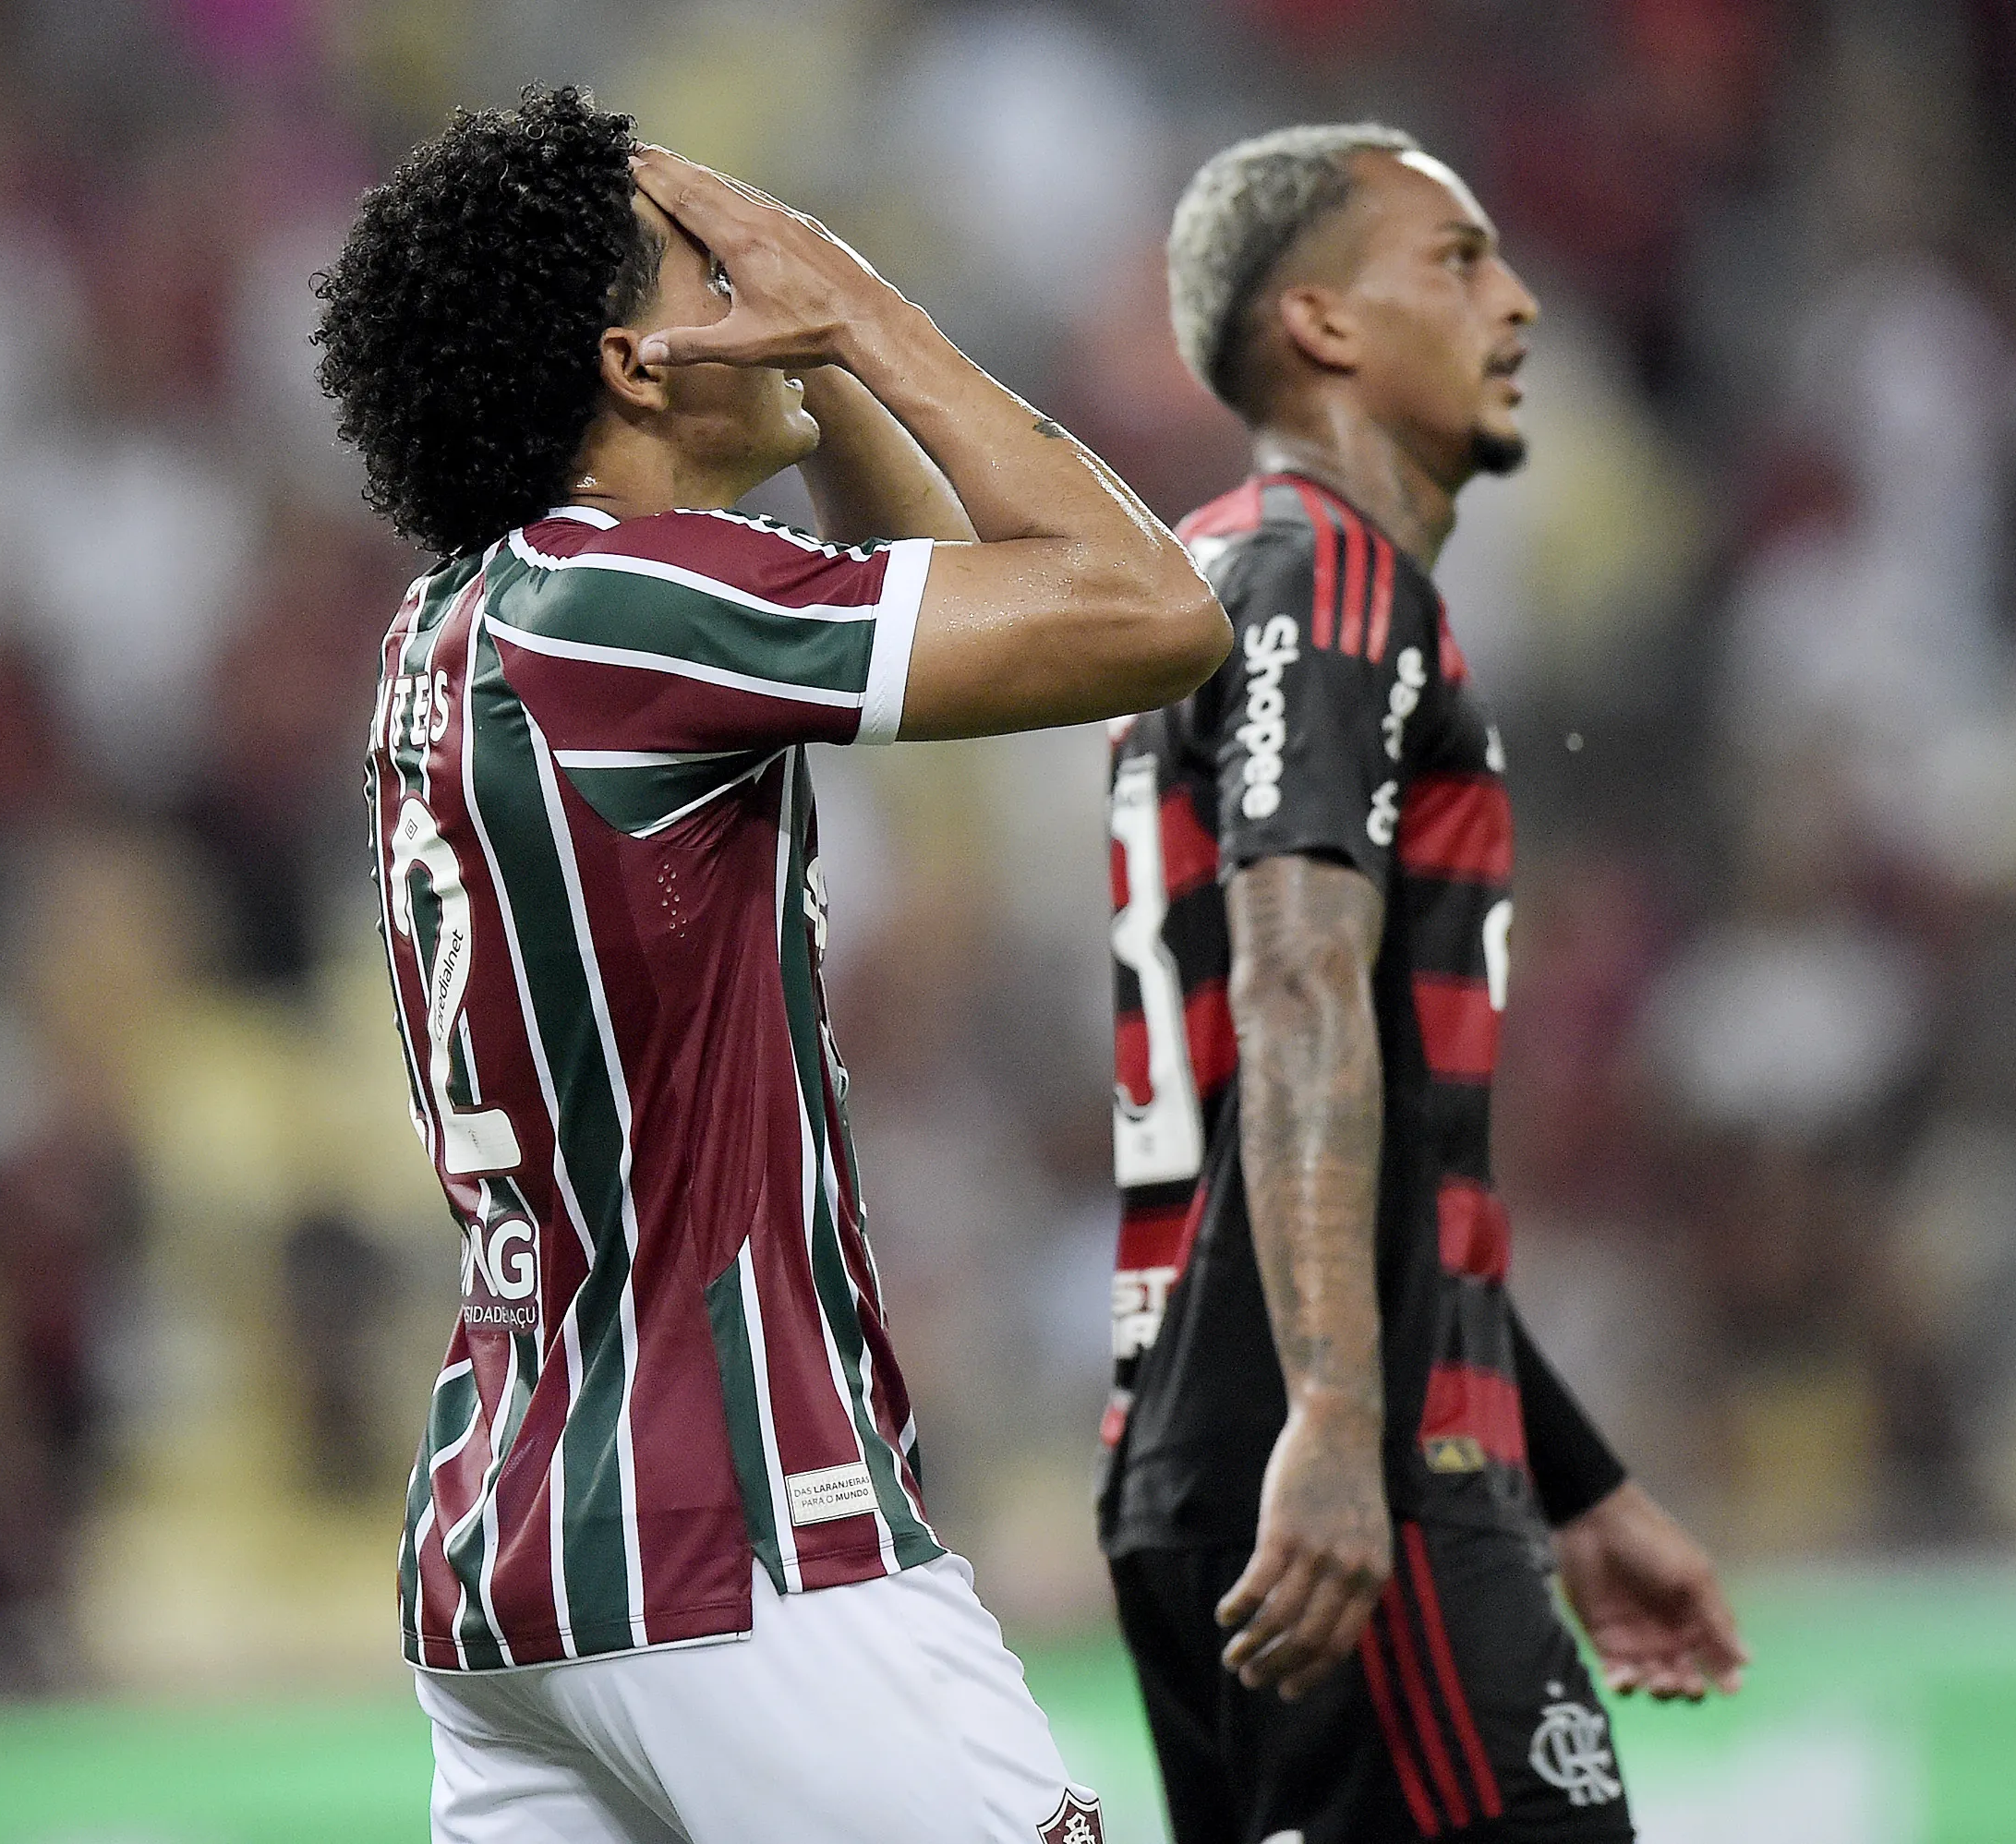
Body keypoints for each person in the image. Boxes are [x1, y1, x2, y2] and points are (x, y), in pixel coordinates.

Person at [313, 86, 1225, 1844]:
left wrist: (825, 376)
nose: (760, 279)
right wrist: (869, 308)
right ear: (638, 364)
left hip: (512, 1561)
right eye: (709, 270)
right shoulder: (623, 609)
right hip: (732, 1534)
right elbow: (1149, 613)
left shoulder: (468, 622)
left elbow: (954, 603)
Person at [1096, 125, 1748, 1844]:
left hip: (1205, 1441)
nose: (1518, 301)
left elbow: (1351, 1130)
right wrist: (1337, 1422)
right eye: (1455, 262)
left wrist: (1580, 1480)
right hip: (1342, 1470)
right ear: (1320, 324)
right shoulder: (1330, 572)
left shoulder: (1205, 580)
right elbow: (1304, 990)